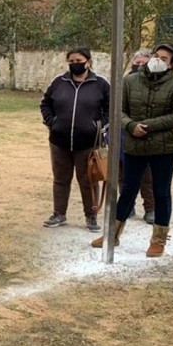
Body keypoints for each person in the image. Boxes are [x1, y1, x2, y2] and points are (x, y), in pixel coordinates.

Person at [90, 43, 173, 257]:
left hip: (164, 148)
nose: (158, 60)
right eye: (156, 55)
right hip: (134, 144)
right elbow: (119, 110)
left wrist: (149, 126)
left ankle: (158, 239)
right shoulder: (130, 81)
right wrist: (131, 125)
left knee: (161, 192)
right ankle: (112, 234)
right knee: (127, 189)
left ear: (172, 64)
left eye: (164, 58)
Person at [40, 47, 110, 232]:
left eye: (78, 60)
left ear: (88, 61)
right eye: (71, 61)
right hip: (59, 142)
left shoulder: (100, 84)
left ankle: (91, 216)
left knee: (88, 180)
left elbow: (110, 109)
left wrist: (98, 126)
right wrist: (52, 122)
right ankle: (59, 213)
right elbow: (45, 103)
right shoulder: (59, 82)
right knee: (61, 179)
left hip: (87, 143)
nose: (74, 64)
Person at [123, 50, 156, 223]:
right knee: (123, 173)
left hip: (146, 134)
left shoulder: (154, 84)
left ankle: (150, 208)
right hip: (124, 132)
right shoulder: (123, 82)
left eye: (144, 63)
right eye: (137, 62)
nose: (139, 65)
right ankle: (128, 206)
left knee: (147, 175)